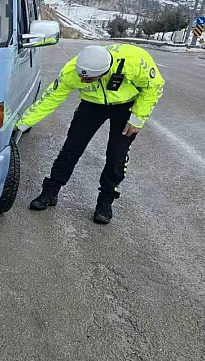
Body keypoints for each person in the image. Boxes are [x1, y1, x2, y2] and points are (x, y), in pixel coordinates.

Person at [15, 43, 165, 225]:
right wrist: (22, 124)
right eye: (82, 77)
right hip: (91, 106)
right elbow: (50, 99)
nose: (83, 81)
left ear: (104, 72)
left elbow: (154, 87)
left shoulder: (134, 61)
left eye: (88, 79)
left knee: (117, 156)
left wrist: (137, 118)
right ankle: (50, 191)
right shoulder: (71, 71)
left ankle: (105, 202)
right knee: (71, 149)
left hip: (126, 106)